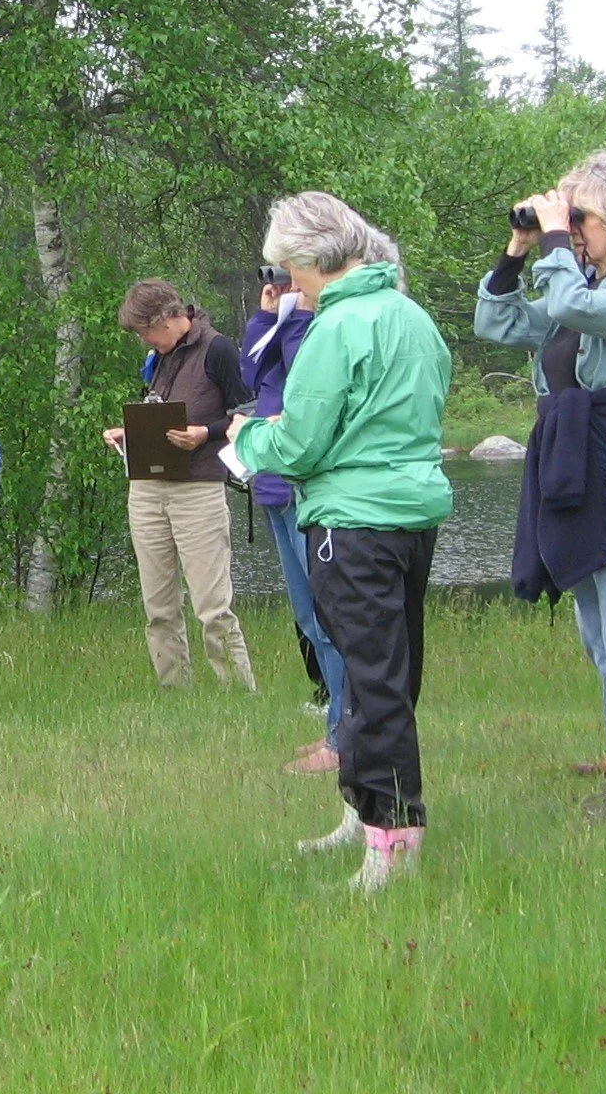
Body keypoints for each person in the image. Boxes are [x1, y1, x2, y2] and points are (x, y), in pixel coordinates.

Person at [228, 194, 451, 892]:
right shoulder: (413, 319)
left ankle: (392, 837)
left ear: (319, 256)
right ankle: (364, 812)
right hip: (412, 516)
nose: (290, 281)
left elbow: (297, 444)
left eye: (291, 265)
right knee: (379, 672)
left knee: (370, 678)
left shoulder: (337, 326)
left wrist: (246, 436)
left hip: (352, 523)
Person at [478, 151, 606, 818]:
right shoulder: (585, 293)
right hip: (574, 466)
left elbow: (568, 300)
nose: (572, 229)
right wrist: (517, 251)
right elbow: (499, 322)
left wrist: (557, 241)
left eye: (582, 217)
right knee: (602, 642)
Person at [104, 280, 257, 691]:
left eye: (145, 331)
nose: (144, 341)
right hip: (149, 488)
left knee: (213, 607)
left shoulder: (217, 349)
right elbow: (159, 411)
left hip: (199, 488)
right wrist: (130, 433)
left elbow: (249, 414)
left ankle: (239, 694)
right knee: (158, 607)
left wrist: (205, 433)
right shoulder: (159, 358)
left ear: (171, 318)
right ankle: (175, 691)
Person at [240, 274, 343, 770]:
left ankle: (345, 739)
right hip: (273, 485)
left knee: (331, 618)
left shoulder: (320, 328)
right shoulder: (284, 327)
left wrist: (298, 316)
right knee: (308, 618)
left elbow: (305, 378)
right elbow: (252, 376)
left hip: (306, 491)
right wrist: (266, 318)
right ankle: (335, 727)